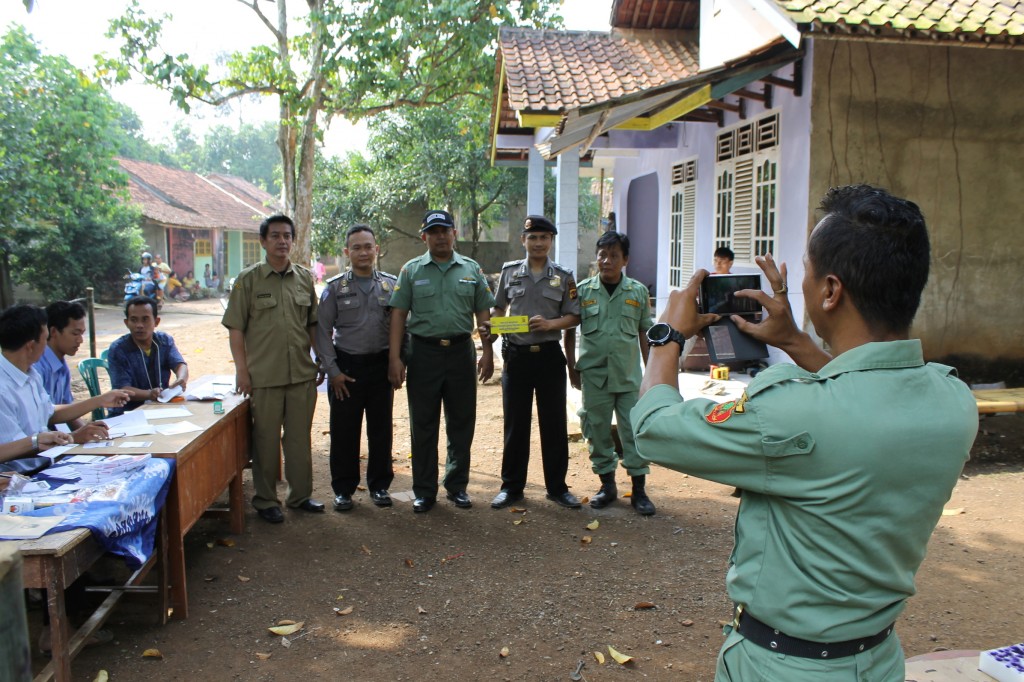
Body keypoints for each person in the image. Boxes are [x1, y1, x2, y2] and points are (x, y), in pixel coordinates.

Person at [631, 185, 978, 682]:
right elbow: (862, 396)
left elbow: (651, 427)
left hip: (780, 666)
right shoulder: (953, 401)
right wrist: (795, 340)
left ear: (831, 291)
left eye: (808, 273)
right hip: (877, 661)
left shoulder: (791, 410)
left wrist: (669, 334)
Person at [388, 209, 495, 513]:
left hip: (461, 352)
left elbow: (483, 314)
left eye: (444, 230)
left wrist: (487, 353)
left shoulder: (471, 270)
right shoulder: (411, 271)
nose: (440, 236)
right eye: (433, 232)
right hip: (423, 354)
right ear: (424, 237)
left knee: (461, 422)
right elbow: (397, 315)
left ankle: (457, 486)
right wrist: (394, 358)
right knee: (423, 423)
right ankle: (424, 490)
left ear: (454, 234)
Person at [223, 213, 325, 524]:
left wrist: (320, 358)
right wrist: (242, 371)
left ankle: (300, 495)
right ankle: (266, 500)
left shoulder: (305, 278)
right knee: (265, 440)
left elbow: (312, 325)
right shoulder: (248, 280)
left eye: (287, 236)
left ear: (293, 240)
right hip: (264, 376)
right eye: (276, 236)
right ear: (263, 241)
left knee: (298, 439)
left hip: (301, 376)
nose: (282, 241)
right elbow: (236, 329)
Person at [483, 215, 582, 510]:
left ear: (551, 241)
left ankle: (557, 488)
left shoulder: (564, 276)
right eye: (533, 237)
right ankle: (511, 487)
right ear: (523, 241)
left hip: (550, 357)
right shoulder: (510, 273)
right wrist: (492, 328)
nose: (538, 243)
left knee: (553, 425)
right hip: (517, 357)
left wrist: (552, 325)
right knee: (516, 425)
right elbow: (499, 309)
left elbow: (575, 316)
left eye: (544, 238)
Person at [569, 231, 656, 516]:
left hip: (629, 376)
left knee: (633, 432)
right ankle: (607, 486)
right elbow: (569, 329)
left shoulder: (638, 292)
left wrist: (651, 373)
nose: (606, 261)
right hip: (594, 376)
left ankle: (639, 490)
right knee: (597, 430)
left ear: (625, 260)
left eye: (614, 256)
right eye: (602, 255)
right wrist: (571, 365)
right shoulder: (582, 291)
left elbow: (645, 333)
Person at [316, 225, 398, 511]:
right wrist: (333, 371)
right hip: (346, 370)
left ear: (377, 249)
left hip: (380, 368)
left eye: (368, 246)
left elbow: (402, 327)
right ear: (346, 252)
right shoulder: (335, 288)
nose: (363, 252)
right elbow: (322, 332)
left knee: (381, 430)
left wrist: (398, 362)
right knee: (344, 432)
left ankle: (379, 486)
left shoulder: (391, 284)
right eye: (356, 247)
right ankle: (343, 490)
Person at [1, 305, 130, 463]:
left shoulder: (30, 373)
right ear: (31, 345)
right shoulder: (4, 388)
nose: (46, 346)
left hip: (46, 461)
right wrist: (71, 438)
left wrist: (98, 401)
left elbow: (49, 412)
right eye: (45, 339)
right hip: (22, 475)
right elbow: (15, 449)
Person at [106, 296, 188, 416]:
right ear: (126, 323)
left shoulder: (164, 341)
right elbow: (122, 389)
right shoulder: (118, 349)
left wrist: (182, 378)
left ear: (156, 322)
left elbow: (179, 364)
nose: (139, 325)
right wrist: (149, 394)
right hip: (127, 414)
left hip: (160, 408)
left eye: (145, 319)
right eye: (134, 320)